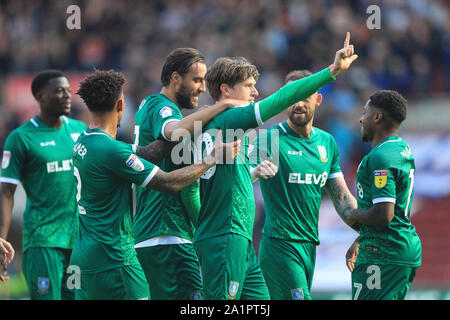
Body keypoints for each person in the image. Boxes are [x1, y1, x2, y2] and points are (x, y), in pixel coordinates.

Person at [194, 33, 358, 300]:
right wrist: (332, 71)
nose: (256, 92)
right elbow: (280, 99)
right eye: (249, 86)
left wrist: (254, 173)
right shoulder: (246, 127)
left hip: (250, 240)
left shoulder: (326, 142)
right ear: (226, 90)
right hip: (250, 240)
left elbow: (219, 179)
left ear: (318, 101)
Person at [71, 69, 240, 300]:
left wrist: (193, 124)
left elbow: (148, 152)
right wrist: (212, 158)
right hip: (115, 256)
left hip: (82, 259)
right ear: (121, 105)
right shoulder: (112, 151)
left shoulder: (83, 142)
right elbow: (168, 183)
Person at [133, 48, 239, 300]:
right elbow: (174, 131)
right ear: (175, 78)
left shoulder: (151, 105)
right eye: (197, 80)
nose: (202, 88)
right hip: (166, 234)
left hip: (161, 235)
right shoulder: (161, 106)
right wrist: (220, 106)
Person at [250, 69, 358, 300]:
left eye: (304, 96)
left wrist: (367, 230)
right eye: (291, 97)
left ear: (318, 99)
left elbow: (341, 197)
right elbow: (236, 177)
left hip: (309, 246)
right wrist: (254, 172)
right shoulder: (270, 139)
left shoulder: (327, 142)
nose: (298, 104)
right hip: (280, 246)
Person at [0, 70, 87, 299]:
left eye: (69, 91)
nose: (67, 96)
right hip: (43, 241)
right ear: (40, 96)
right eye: (59, 91)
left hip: (78, 240)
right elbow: (7, 191)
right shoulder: (21, 138)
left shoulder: (80, 131)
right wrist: (2, 236)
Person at [345, 90, 422, 300]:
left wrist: (354, 214)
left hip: (383, 252)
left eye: (365, 112)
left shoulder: (380, 157)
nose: (361, 119)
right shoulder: (401, 148)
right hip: (397, 247)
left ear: (377, 117)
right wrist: (362, 238)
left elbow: (384, 214)